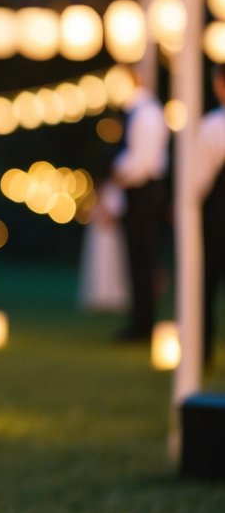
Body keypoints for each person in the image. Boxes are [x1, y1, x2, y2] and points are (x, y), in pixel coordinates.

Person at [111, 66, 169, 340]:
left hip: (144, 192)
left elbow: (142, 161)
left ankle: (143, 325)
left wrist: (119, 173)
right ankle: (139, 321)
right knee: (137, 259)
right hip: (140, 192)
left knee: (143, 259)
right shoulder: (138, 112)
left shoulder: (145, 113)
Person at [197, 63, 225, 369]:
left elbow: (198, 180)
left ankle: (203, 350)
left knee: (207, 284)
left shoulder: (214, 126)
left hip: (218, 217)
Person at [77, 179, 130, 313]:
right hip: (98, 237)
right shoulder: (93, 194)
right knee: (98, 265)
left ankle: (112, 297)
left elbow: (116, 215)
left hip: (110, 237)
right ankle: (98, 297)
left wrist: (107, 216)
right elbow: (85, 213)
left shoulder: (115, 192)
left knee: (112, 265)